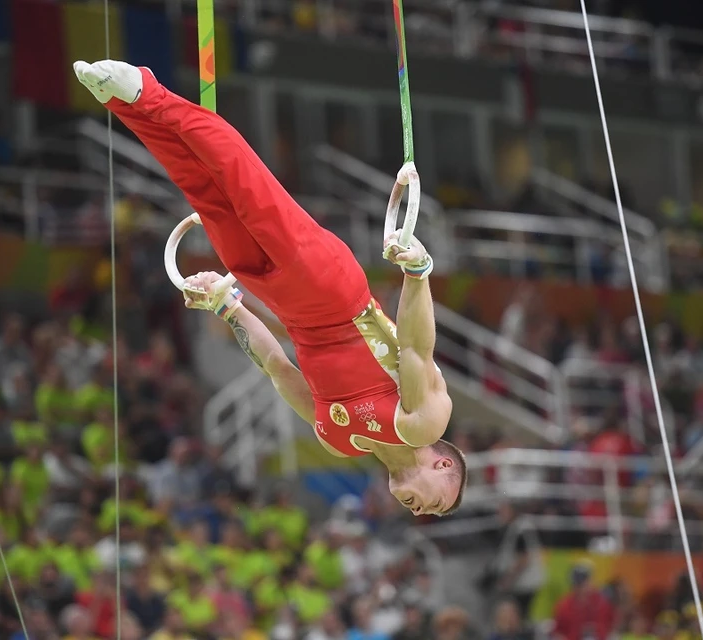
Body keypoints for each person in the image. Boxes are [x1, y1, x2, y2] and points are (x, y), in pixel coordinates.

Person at [73, 59, 465, 516]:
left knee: (207, 194)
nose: (421, 513)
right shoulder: (422, 423)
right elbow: (418, 348)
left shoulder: (339, 443)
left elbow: (278, 368)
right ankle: (147, 92)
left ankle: (126, 105)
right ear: (441, 465)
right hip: (333, 291)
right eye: (437, 505)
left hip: (287, 308)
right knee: (244, 184)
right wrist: (417, 273)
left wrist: (229, 308)